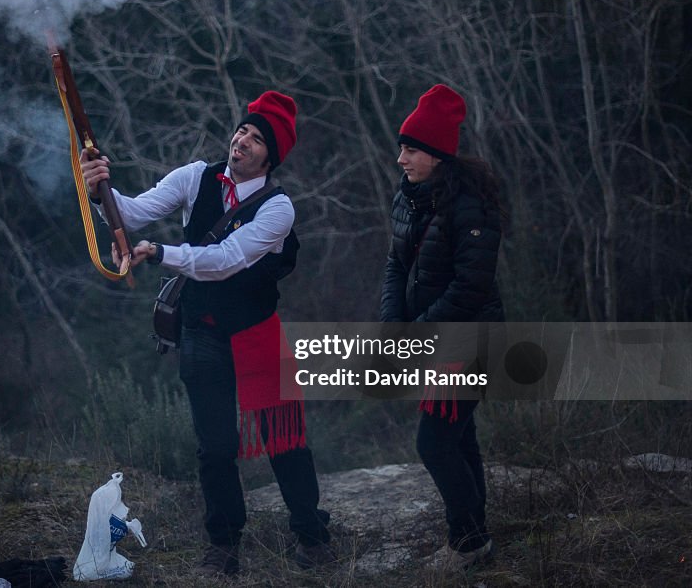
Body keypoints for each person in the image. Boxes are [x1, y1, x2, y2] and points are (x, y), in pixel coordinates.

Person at [81, 91, 332, 576]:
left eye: (257, 139)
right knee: (214, 446)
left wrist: (158, 252)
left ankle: (311, 535)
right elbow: (131, 214)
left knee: (285, 441)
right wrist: (100, 190)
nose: (242, 141)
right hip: (201, 331)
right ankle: (224, 544)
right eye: (243, 130)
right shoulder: (195, 176)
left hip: (256, 331)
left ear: (270, 156)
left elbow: (224, 262)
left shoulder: (279, 209)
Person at [379, 84, 504, 572]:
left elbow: (471, 287)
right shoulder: (409, 199)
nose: (401, 158)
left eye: (410, 149)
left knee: (433, 441)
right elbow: (394, 266)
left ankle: (468, 541)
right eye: (401, 147)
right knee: (459, 437)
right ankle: (476, 538)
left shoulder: (471, 206)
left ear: (436, 154)